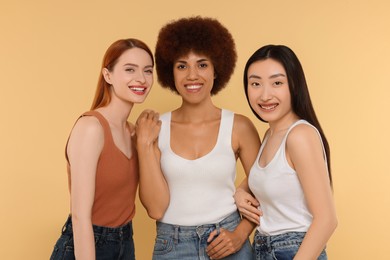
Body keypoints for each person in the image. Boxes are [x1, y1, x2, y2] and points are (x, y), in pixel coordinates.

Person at [135, 16, 261, 259]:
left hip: (229, 239)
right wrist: (143, 144)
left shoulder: (239, 126)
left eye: (202, 65)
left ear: (217, 70)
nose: (192, 75)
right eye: (182, 66)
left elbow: (266, 187)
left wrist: (240, 234)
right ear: (170, 73)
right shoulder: (155, 128)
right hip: (172, 246)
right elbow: (154, 207)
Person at [50, 38, 154, 260]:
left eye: (148, 71)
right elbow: (80, 216)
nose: (141, 79)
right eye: (129, 70)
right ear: (108, 75)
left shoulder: (135, 133)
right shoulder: (91, 128)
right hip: (87, 243)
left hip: (125, 242)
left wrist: (147, 143)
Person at [235, 44, 338, 260]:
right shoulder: (270, 135)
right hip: (263, 248)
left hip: (294, 250)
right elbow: (261, 179)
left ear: (294, 85)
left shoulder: (299, 135)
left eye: (277, 83)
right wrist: (239, 193)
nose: (265, 95)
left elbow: (327, 219)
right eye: (255, 83)